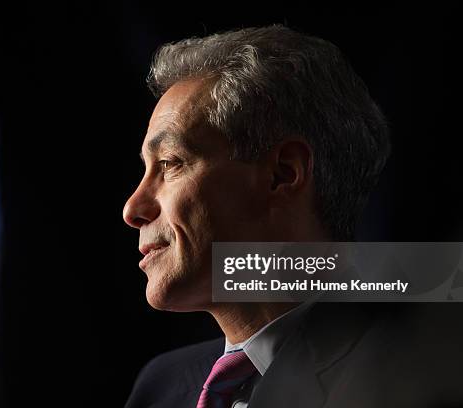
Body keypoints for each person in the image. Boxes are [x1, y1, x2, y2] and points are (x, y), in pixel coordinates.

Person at [122, 25, 463, 408]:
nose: (132, 209)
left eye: (169, 164)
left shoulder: (423, 369)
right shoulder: (159, 387)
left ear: (284, 173)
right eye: (145, 170)